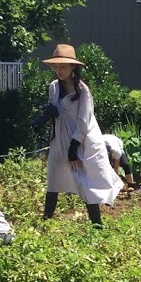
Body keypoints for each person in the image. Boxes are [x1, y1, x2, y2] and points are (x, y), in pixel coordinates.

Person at [39, 43, 122, 226]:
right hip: (59, 138)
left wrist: (73, 147)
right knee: (53, 178)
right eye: (56, 67)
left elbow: (84, 121)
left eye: (63, 66)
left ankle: (97, 225)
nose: (59, 71)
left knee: (84, 181)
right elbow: (55, 111)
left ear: (73, 67)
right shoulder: (53, 87)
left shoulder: (82, 91)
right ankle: (46, 222)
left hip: (82, 141)